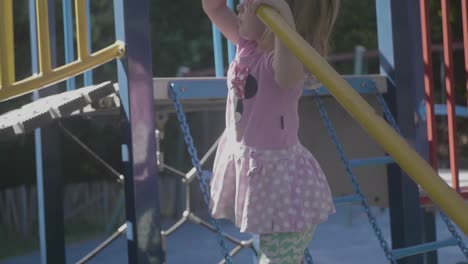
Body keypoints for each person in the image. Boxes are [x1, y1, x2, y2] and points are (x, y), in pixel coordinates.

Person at [203, 0, 339, 262]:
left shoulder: (285, 63)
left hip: (285, 188)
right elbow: (214, 8)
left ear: (273, 19)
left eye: (249, 3)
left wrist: (283, 18)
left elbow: (286, 78)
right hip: (260, 174)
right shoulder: (247, 47)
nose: (240, 7)